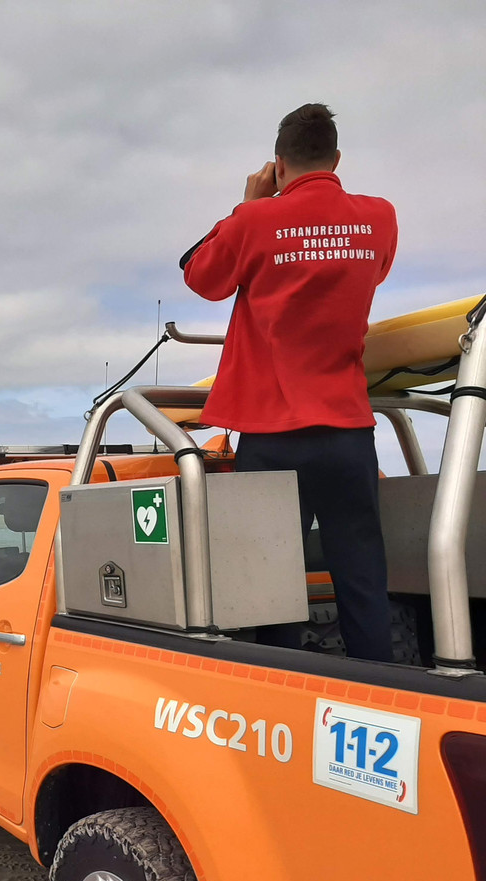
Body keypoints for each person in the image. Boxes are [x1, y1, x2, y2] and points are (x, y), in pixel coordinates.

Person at [180, 103, 398, 662]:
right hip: (348, 431)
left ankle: (282, 704)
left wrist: (248, 206)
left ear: (278, 166)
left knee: (272, 588)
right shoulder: (380, 217)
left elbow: (202, 278)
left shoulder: (253, 221)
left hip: (272, 437)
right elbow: (372, 271)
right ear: (337, 158)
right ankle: (381, 694)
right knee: (363, 581)